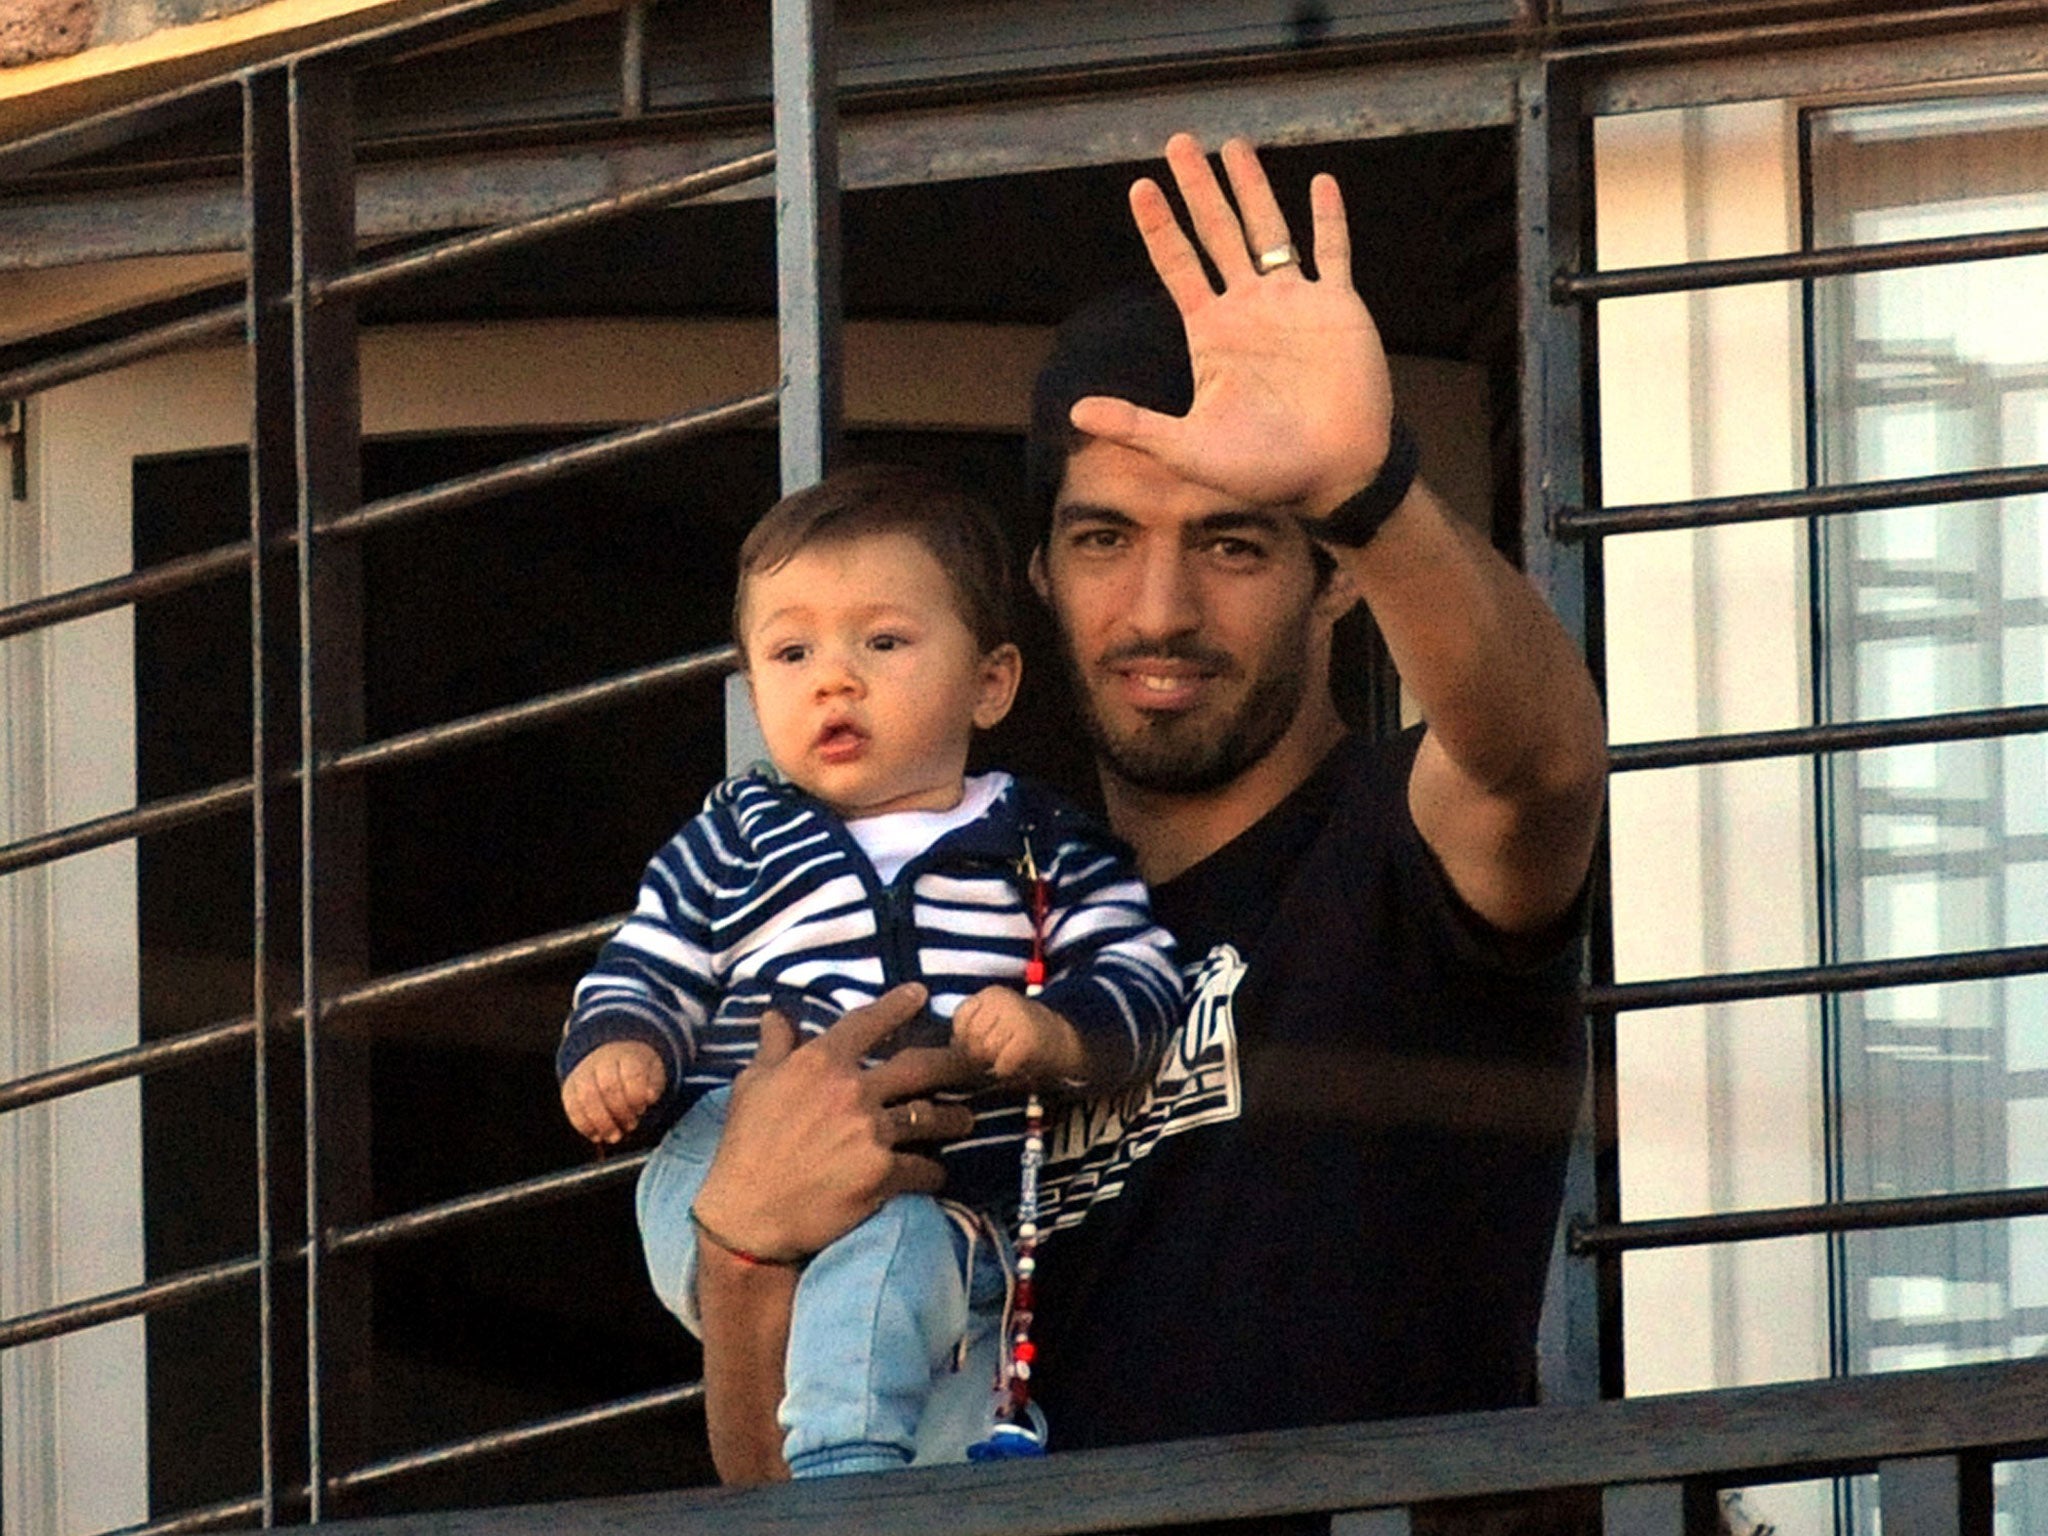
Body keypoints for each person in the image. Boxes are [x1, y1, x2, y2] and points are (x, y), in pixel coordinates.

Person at [681, 132, 1609, 1483]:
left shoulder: (1390, 846)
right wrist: (748, 1256)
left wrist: (1370, 494)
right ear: (1042, 577)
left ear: (1330, 579)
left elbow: (1541, 767)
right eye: (1105, 540)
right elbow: (778, 1493)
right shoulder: (971, 908)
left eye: (1232, 542)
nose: (1161, 611)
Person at [556, 465, 1184, 1477]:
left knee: (912, 1317)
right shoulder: (737, 835)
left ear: (990, 682)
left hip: (930, 1196)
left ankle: (847, 1488)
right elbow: (649, 958)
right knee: (742, 1228)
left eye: (882, 642)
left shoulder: (1040, 843)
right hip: (721, 1147)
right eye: (791, 650)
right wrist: (620, 1047)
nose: (832, 679)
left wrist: (1058, 1033)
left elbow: (1139, 973)